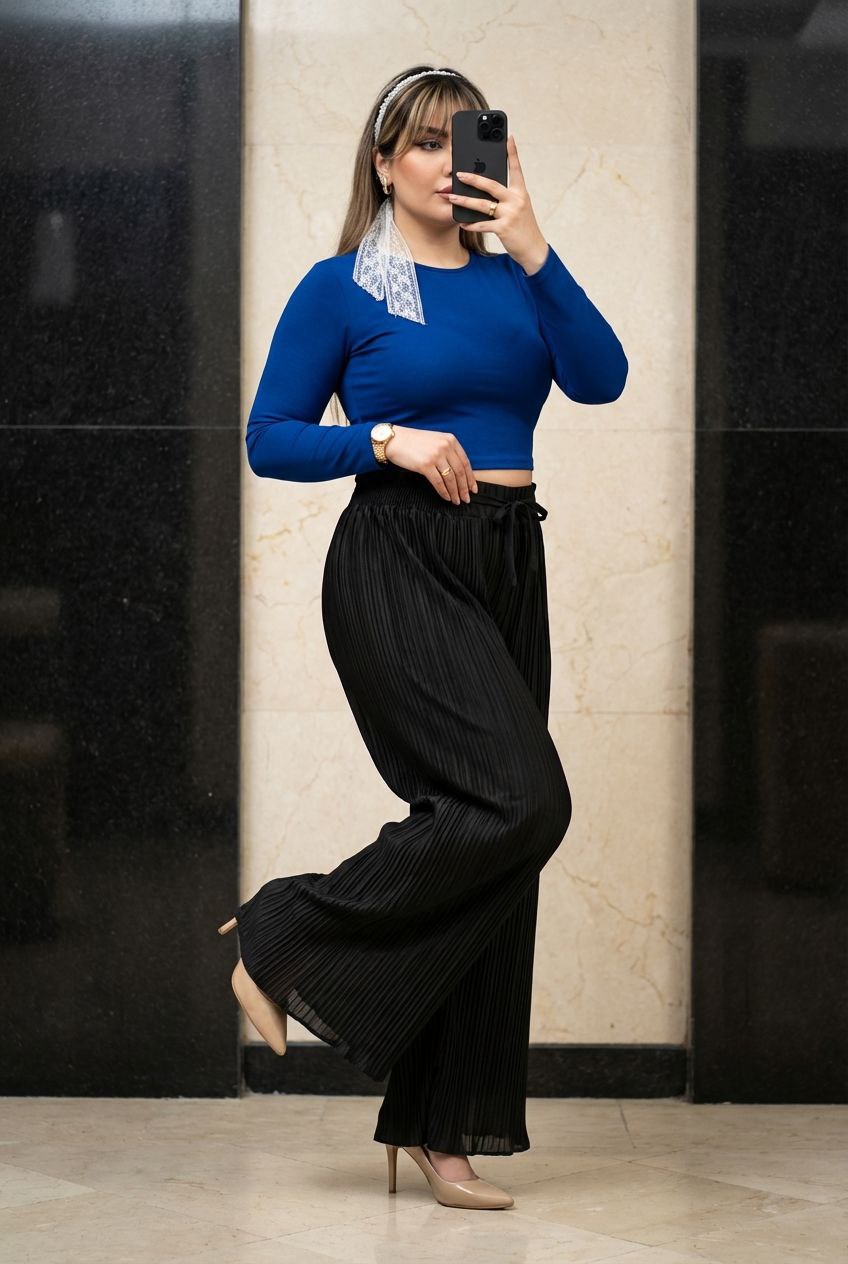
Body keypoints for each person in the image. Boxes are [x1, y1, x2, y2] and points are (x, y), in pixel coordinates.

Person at [218, 64, 628, 1212]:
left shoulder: (514, 280)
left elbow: (601, 379)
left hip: (507, 560)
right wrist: (383, 439)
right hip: (398, 557)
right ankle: (283, 928)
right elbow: (270, 438)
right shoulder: (342, 288)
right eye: (427, 143)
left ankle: (443, 1129)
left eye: (469, 141)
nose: (451, 163)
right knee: (519, 801)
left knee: (491, 836)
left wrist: (534, 243)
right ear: (383, 164)